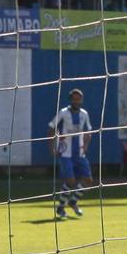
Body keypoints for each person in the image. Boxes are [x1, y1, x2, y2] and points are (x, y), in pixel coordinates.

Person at [49, 88, 95, 218]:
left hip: (79, 153)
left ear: (81, 100)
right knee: (70, 181)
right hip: (65, 152)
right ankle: (60, 207)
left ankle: (73, 201)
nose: (76, 101)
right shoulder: (63, 113)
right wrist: (52, 147)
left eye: (78, 99)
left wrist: (85, 145)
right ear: (70, 100)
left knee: (88, 180)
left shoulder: (84, 114)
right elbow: (52, 128)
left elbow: (88, 131)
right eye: (74, 99)